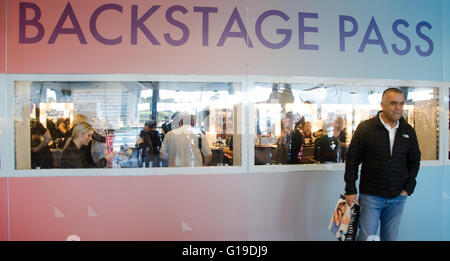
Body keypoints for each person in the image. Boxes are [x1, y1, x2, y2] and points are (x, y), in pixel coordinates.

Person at [344, 87, 421, 241]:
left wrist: (408, 188)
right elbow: (352, 160)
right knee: (367, 237)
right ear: (382, 105)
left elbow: (414, 161)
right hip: (371, 196)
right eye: (393, 103)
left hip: (397, 197)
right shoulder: (366, 128)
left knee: (390, 238)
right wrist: (350, 190)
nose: (398, 108)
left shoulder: (408, 131)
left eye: (401, 104)